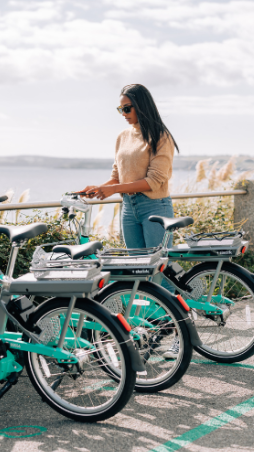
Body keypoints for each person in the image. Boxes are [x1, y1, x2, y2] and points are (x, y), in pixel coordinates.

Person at [81, 83, 180, 358]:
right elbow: (117, 176)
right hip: (129, 208)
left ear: (141, 106)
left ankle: (181, 332)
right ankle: (147, 331)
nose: (123, 113)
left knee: (161, 269)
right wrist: (98, 188)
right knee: (137, 272)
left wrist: (113, 189)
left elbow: (154, 180)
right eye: (120, 108)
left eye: (127, 108)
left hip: (155, 207)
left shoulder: (161, 137)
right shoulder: (123, 136)